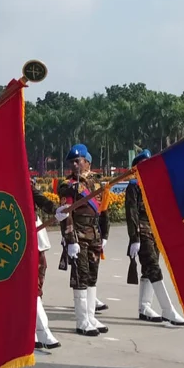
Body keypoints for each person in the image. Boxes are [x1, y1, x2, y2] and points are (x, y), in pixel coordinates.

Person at [125, 150, 184, 326]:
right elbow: (131, 213)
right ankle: (168, 310)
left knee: (148, 270)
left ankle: (145, 307)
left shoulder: (154, 185)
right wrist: (134, 238)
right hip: (142, 231)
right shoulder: (134, 185)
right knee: (153, 267)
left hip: (154, 231)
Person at [58, 144, 109, 337]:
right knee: (80, 277)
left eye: (78, 161)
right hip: (79, 236)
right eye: (72, 162)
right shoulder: (67, 186)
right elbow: (65, 214)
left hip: (94, 235)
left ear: (87, 162)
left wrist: (105, 235)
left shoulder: (97, 183)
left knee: (92, 278)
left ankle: (90, 316)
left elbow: (103, 211)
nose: (74, 165)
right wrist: (71, 240)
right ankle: (81, 321)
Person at [32, 180, 69, 349]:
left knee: (38, 278)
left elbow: (38, 197)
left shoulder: (20, 177)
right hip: (10, 236)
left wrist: (55, 210)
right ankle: (42, 330)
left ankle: (32, 331)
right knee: (29, 287)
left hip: (31, 232)